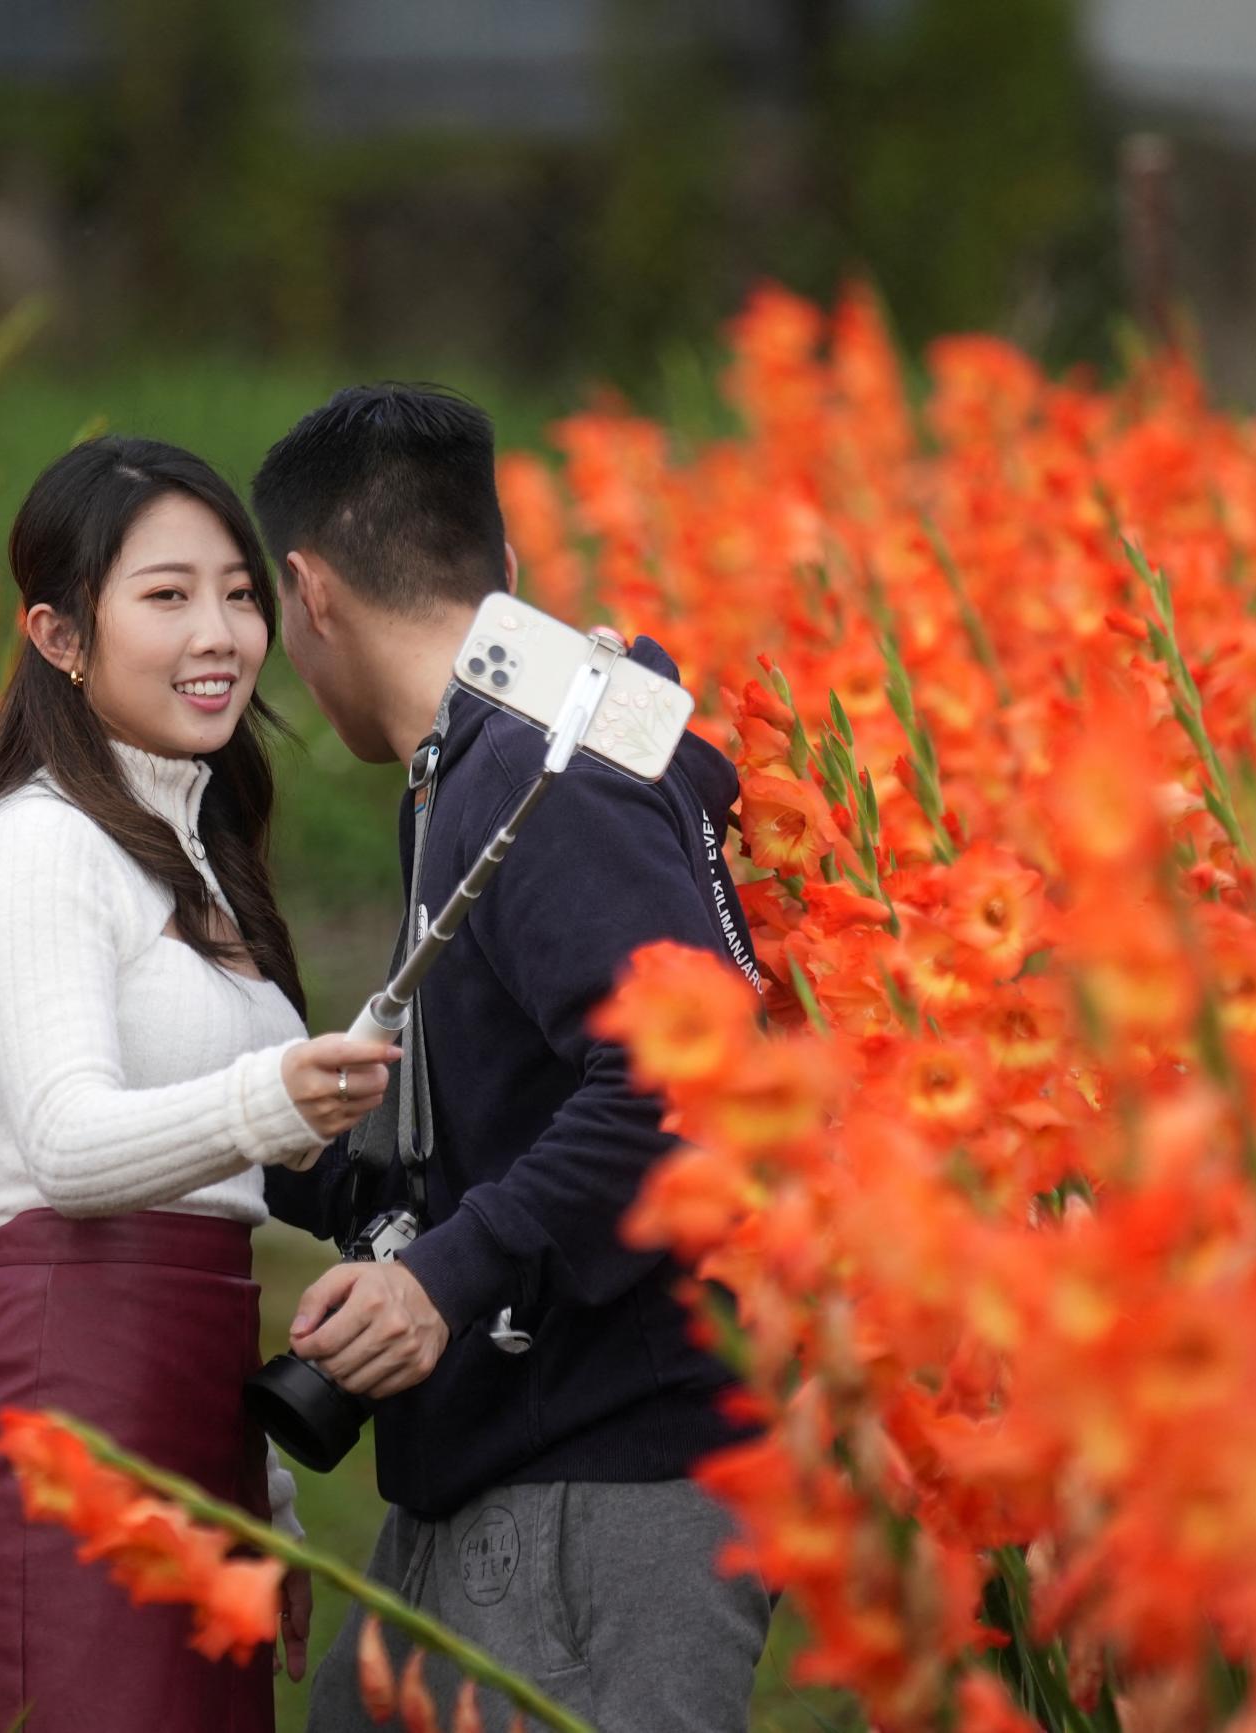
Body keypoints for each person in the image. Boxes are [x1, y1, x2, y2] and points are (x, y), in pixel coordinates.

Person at [252, 385, 776, 1730]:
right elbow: (505, 1113)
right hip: (507, 1463)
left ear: (310, 592)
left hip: (599, 1489)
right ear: (509, 567)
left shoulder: (533, 776)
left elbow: (686, 1072)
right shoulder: (472, 770)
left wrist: (444, 1276)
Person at [0, 436, 400, 1733]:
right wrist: (274, 1095)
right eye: (167, 594)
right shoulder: (38, 848)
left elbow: (218, 1206)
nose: (223, 632)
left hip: (196, 1420)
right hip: (74, 1424)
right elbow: (67, 1148)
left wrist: (269, 1496)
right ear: (60, 636)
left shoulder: (198, 849)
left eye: (240, 592)